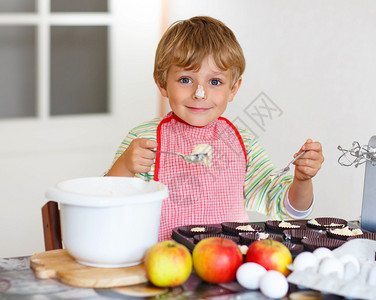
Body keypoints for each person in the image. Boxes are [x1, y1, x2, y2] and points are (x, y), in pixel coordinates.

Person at [105, 16, 324, 241]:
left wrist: (302, 180)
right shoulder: (145, 139)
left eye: (215, 82)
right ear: (162, 83)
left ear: (233, 89)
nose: (200, 94)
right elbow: (107, 203)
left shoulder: (241, 141)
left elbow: (288, 209)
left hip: (229, 263)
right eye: (185, 79)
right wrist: (125, 166)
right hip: (165, 264)